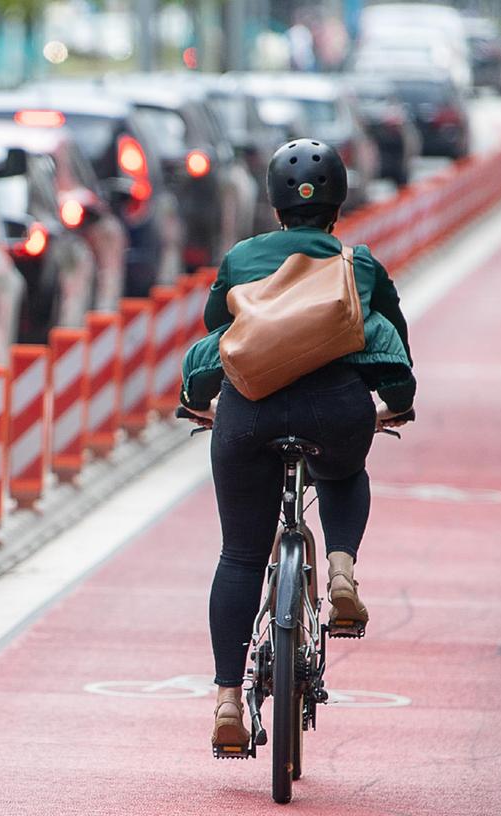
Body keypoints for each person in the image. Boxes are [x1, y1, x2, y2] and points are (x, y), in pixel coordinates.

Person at [178, 139, 415, 753]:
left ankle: (229, 702)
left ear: (273, 205)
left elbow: (218, 338)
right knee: (342, 473)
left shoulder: (238, 259)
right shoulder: (357, 263)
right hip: (335, 410)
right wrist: (398, 401)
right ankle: (341, 572)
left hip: (247, 416)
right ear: (338, 203)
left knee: (239, 556)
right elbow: (391, 341)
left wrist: (197, 398)